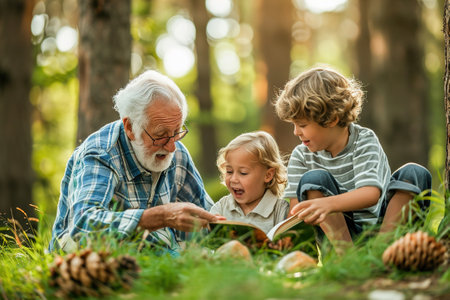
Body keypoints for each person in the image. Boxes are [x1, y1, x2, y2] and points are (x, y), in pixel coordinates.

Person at [49, 70, 218, 252]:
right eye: (160, 135)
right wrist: (160, 217)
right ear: (130, 127)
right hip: (87, 260)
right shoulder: (101, 153)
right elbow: (83, 226)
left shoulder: (177, 153)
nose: (171, 147)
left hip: (156, 253)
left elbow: (209, 218)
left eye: (176, 132)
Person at [274, 66, 431, 252]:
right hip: (338, 239)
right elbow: (296, 211)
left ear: (332, 119)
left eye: (302, 125)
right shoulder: (301, 155)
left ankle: (384, 251)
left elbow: (370, 193)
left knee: (414, 173)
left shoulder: (364, 141)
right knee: (313, 180)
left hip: (381, 226)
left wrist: (327, 204)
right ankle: (350, 259)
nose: (296, 132)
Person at [210, 131, 289, 234]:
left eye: (243, 173)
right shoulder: (221, 207)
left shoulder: (280, 210)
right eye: (229, 171)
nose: (233, 179)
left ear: (268, 175)